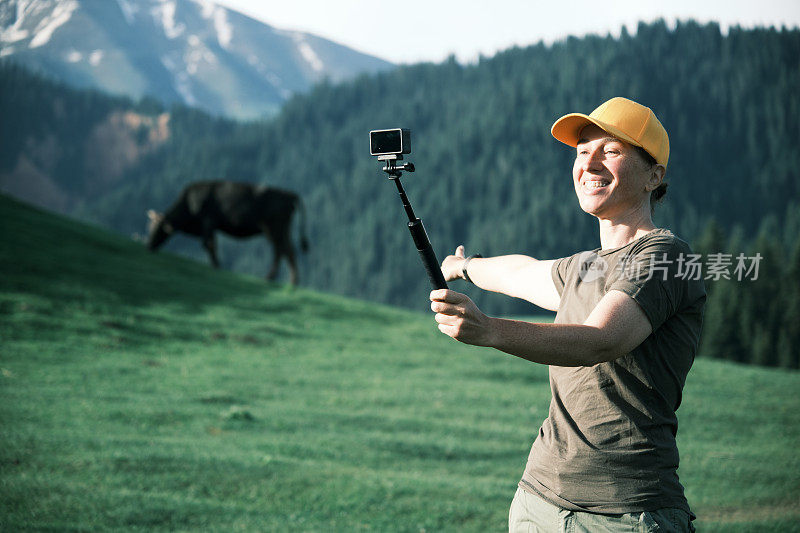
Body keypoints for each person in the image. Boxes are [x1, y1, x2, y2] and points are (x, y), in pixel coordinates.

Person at [430, 97, 706, 532]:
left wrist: (489, 330)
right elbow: (523, 271)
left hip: (624, 515)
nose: (590, 164)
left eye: (611, 151)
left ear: (655, 175)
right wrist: (463, 267)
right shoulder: (586, 266)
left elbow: (600, 339)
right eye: (582, 152)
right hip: (537, 501)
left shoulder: (666, 257)